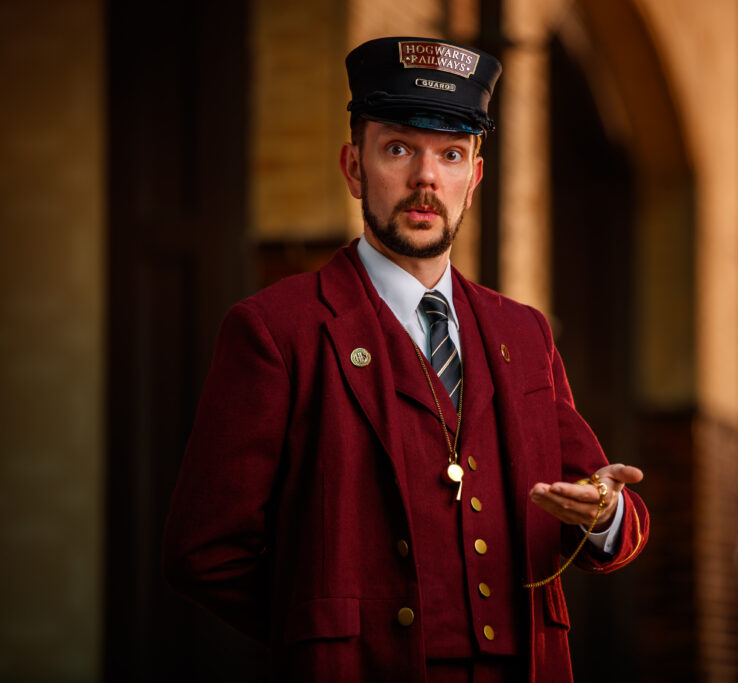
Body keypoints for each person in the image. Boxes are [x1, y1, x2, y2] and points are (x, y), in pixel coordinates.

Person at [163, 35, 649, 682]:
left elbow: (608, 504)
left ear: (474, 178)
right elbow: (203, 550)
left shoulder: (526, 334)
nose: (426, 178)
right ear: (354, 166)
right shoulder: (274, 331)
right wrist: (330, 634)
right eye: (399, 149)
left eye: (451, 154)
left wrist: (607, 514)